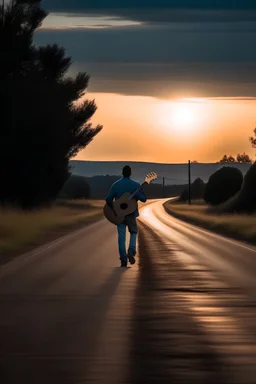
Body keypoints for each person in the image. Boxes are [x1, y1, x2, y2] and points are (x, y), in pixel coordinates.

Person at [105, 165, 147, 267]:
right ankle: (131, 251)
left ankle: (123, 260)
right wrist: (137, 195)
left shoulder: (115, 185)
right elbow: (144, 199)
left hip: (119, 214)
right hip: (131, 214)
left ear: (122, 173)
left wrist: (115, 210)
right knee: (133, 232)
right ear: (130, 173)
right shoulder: (136, 185)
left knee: (121, 237)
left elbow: (108, 199)